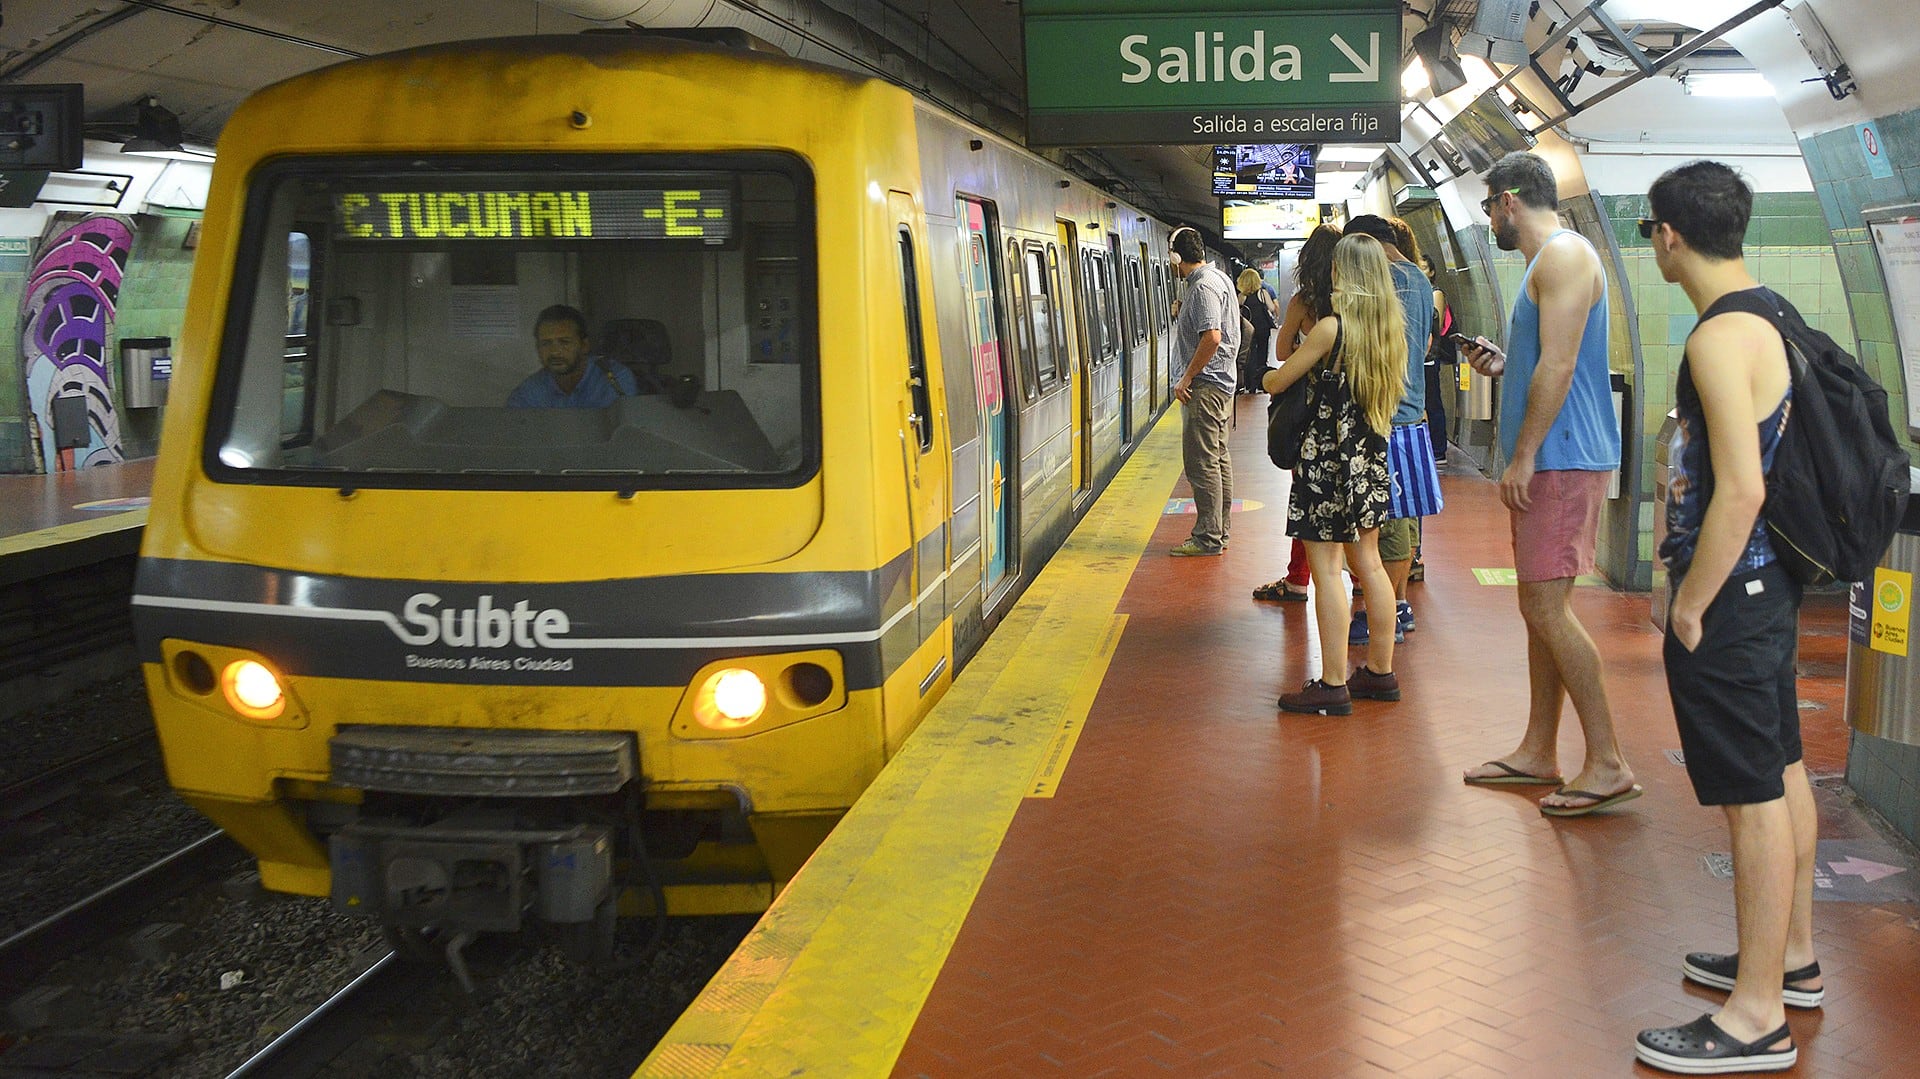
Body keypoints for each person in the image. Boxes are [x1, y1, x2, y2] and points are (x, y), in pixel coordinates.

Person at [1633, 162, 1810, 1075]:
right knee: (1779, 769)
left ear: (1669, 235)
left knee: (1750, 798)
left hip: (1731, 596)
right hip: (1772, 585)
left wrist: (1691, 605)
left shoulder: (1716, 339)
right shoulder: (1773, 311)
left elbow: (1739, 487)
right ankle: (1791, 959)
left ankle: (1755, 1016)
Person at [1458, 151, 1636, 816]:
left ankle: (1609, 761)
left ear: (1508, 200)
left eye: (1487, 208)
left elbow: (1560, 366)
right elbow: (1546, 361)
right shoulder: (1548, 263)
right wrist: (1507, 365)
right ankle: (1538, 748)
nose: (1489, 222)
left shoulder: (1562, 256)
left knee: (1547, 609)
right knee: (1540, 609)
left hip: (1560, 459)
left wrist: (1524, 453)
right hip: (1554, 456)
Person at [1263, 233, 1402, 714]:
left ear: (1348, 274)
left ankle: (1334, 683)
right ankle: (1380, 673)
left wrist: (1263, 380)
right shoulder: (1389, 331)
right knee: (1370, 564)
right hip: (1368, 460)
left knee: (1325, 570)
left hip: (1327, 462)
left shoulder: (1330, 329)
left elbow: (1280, 377)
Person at [1339, 215, 1433, 647]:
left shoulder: (1386, 281)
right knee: (1405, 519)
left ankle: (1388, 613)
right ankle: (1399, 606)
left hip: (1384, 416)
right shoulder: (1418, 277)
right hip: (1414, 414)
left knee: (1388, 522)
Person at [1253, 223, 1340, 602]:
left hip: (1308, 416)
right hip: (1351, 418)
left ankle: (1297, 580)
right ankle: (1365, 595)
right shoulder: (1354, 302)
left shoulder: (1303, 304)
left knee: (1306, 496)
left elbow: (1284, 351)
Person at [1168, 227, 1239, 557]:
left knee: (1202, 463)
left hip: (1207, 386)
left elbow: (1211, 337)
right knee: (1217, 458)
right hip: (1220, 384)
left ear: (1176, 258)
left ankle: (1208, 537)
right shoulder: (1220, 279)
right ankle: (1218, 532)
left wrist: (1186, 377)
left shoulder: (1202, 287)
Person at [507, 304, 637, 408]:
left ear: (584, 345)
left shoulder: (614, 379)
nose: (555, 352)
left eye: (564, 342)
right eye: (546, 343)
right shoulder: (529, 391)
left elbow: (624, 435)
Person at [1422, 254, 1456, 464]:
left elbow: (1435, 322)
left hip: (1431, 355)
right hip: (1422, 356)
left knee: (1432, 400)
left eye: (1425, 267)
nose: (1422, 271)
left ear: (1432, 272)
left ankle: (1438, 448)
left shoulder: (1436, 294)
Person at [1237, 268, 1276, 395]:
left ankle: (1251, 384)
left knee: (1250, 356)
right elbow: (1272, 307)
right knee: (1262, 354)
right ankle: (1262, 381)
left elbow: (1238, 314)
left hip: (1249, 330)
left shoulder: (1242, 297)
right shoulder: (1263, 293)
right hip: (1263, 329)